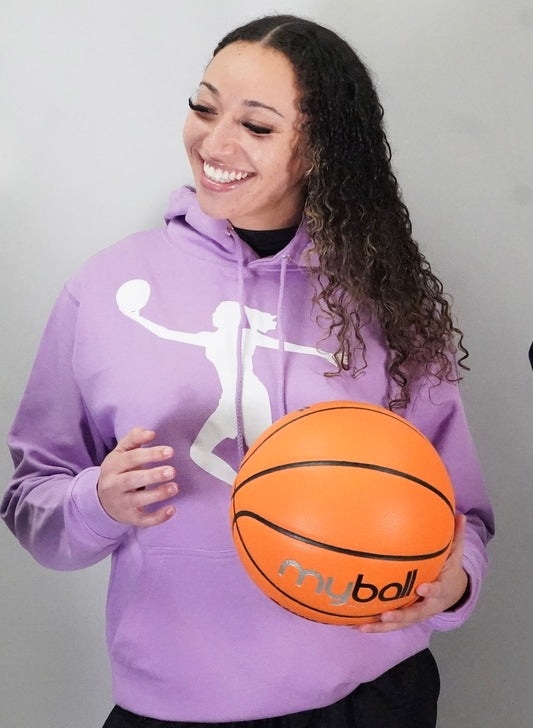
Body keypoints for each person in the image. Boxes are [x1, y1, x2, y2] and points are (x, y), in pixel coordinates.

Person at [1, 14, 494, 728]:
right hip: (176, 705)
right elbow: (29, 501)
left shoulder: (386, 296)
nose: (215, 143)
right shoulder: (105, 287)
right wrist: (96, 502)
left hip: (370, 698)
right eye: (204, 108)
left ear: (320, 149)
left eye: (257, 126)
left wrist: (454, 582)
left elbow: (461, 514)